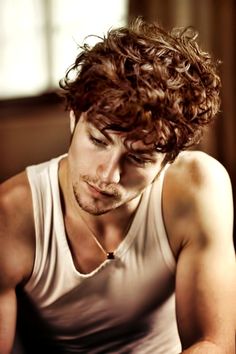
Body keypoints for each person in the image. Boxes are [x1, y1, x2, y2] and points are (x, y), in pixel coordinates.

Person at [0, 17, 235, 354]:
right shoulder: (12, 213)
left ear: (169, 160)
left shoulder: (198, 187)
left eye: (138, 159)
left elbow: (214, 342)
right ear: (74, 118)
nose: (108, 175)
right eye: (98, 140)